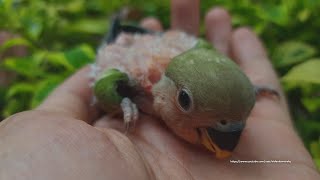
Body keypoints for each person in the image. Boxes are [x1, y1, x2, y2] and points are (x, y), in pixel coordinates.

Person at [0, 1, 319, 179]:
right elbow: (106, 82)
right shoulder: (140, 80)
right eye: (184, 101)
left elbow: (209, 65)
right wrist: (120, 97)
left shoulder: (201, 60)